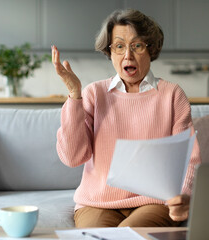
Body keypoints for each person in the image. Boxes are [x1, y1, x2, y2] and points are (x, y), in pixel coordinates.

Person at [51, 9, 201, 228]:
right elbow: (72, 157)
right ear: (109, 52)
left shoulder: (172, 95)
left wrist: (183, 195)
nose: (127, 55)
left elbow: (190, 157)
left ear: (151, 50)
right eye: (119, 46)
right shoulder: (94, 93)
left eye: (137, 46)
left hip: (154, 202)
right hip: (97, 203)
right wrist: (75, 96)